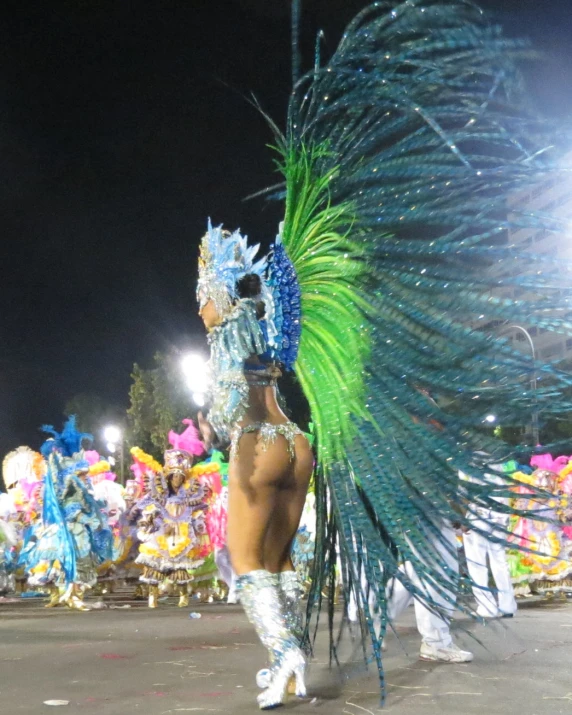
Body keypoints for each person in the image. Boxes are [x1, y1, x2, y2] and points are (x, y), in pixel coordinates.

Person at [196, 223, 314, 709]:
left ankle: (287, 653)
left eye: (202, 290)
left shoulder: (226, 329)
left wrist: (212, 432)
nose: (199, 305)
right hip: (295, 442)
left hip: (257, 443)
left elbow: (228, 405)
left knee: (245, 562)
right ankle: (291, 661)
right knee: (279, 559)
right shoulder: (268, 318)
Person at [461, 459, 517, 619]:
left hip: (478, 518)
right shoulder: (499, 464)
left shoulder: (466, 464)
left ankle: (487, 607)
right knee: (499, 563)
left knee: (477, 563)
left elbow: (463, 494)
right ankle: (507, 606)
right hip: (499, 518)